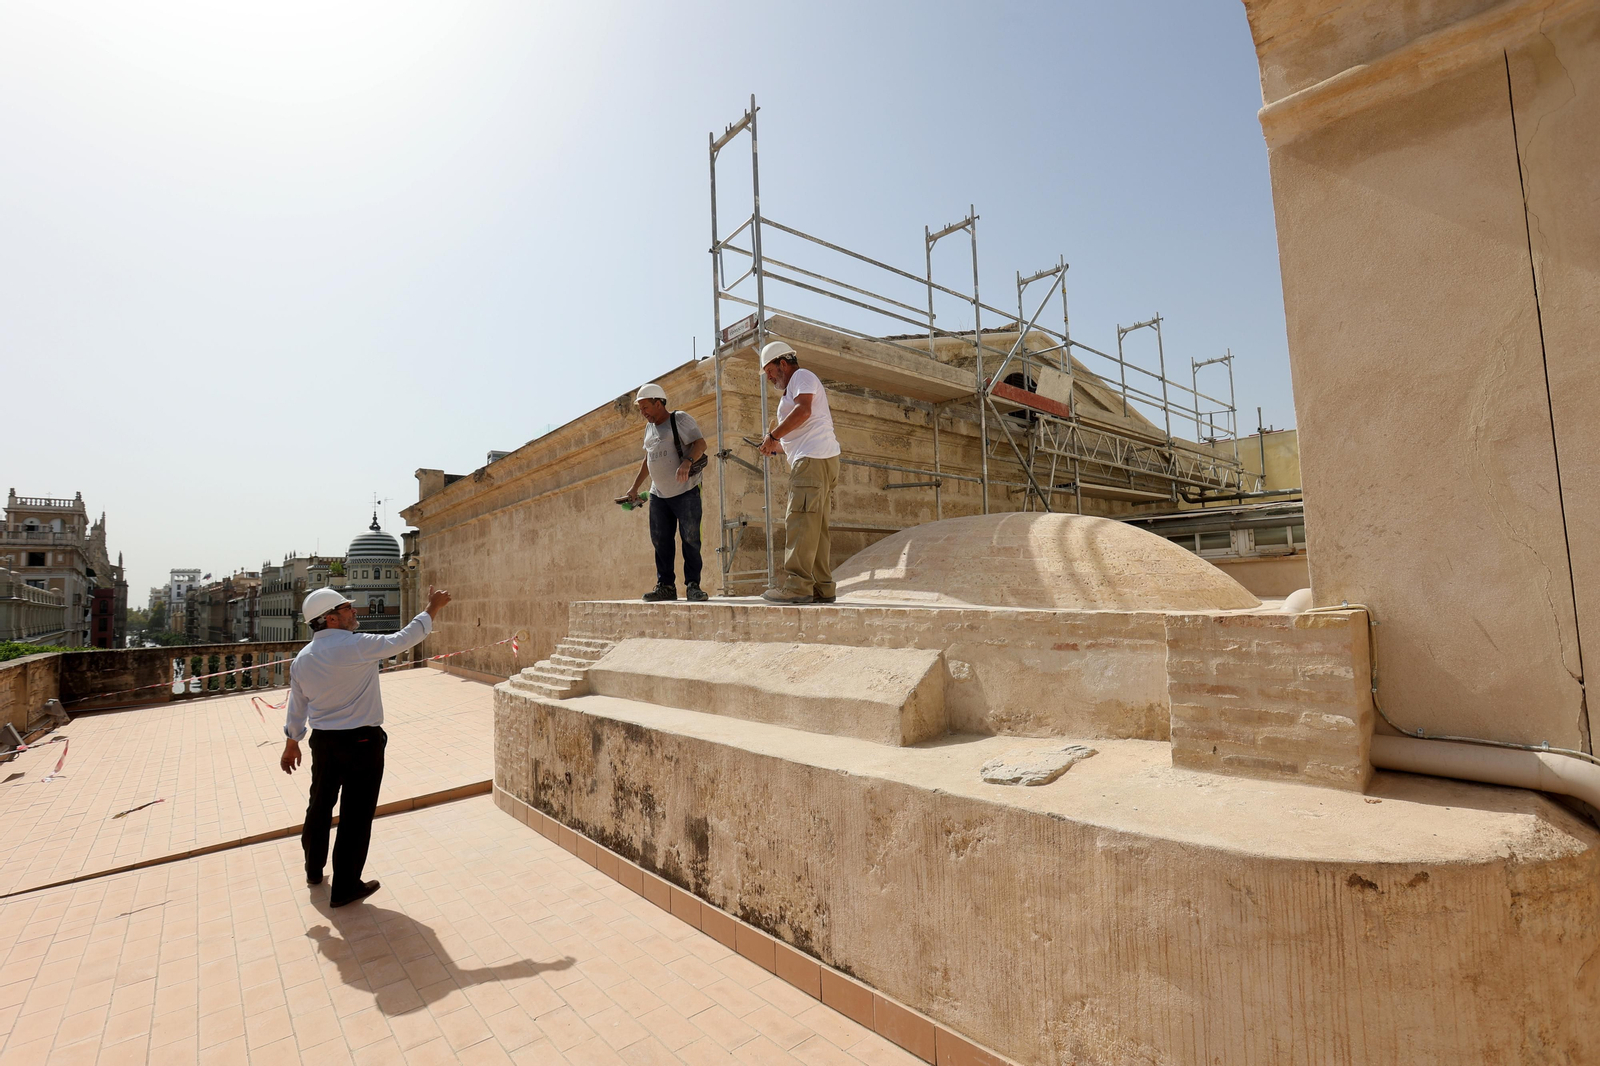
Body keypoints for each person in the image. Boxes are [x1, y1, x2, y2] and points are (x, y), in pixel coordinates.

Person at [280, 584, 451, 907]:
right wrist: (433, 607)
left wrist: (292, 743)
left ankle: (313, 869)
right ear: (330, 619)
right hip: (360, 742)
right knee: (355, 815)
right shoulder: (356, 646)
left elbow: (297, 707)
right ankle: (345, 886)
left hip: (324, 742)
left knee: (319, 804)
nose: (353, 612)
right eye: (347, 609)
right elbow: (404, 639)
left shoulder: (302, 659)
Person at [757, 341, 841, 604]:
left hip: (811, 462)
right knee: (816, 528)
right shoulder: (794, 387)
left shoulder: (802, 376)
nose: (768, 377)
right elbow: (803, 430)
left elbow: (803, 411)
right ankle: (821, 587)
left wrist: (773, 434)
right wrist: (777, 447)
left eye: (769, 370)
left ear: (783, 363)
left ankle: (797, 586)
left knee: (800, 522)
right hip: (819, 459)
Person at [616, 383, 709, 602]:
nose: (643, 413)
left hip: (686, 490)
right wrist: (635, 487)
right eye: (640, 409)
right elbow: (648, 459)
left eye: (645, 407)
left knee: (691, 538)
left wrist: (687, 461)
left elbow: (701, 443)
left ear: (659, 403)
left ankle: (693, 585)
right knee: (660, 540)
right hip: (659, 494)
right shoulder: (649, 429)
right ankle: (666, 586)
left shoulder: (680, 419)